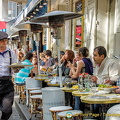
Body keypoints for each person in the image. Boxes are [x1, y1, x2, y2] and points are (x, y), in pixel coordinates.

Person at [0, 31, 17, 120]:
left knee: (7, 108)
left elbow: (15, 66)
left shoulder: (11, 52)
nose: (4, 42)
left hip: (7, 82)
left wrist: (17, 68)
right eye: (1, 40)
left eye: (5, 40)